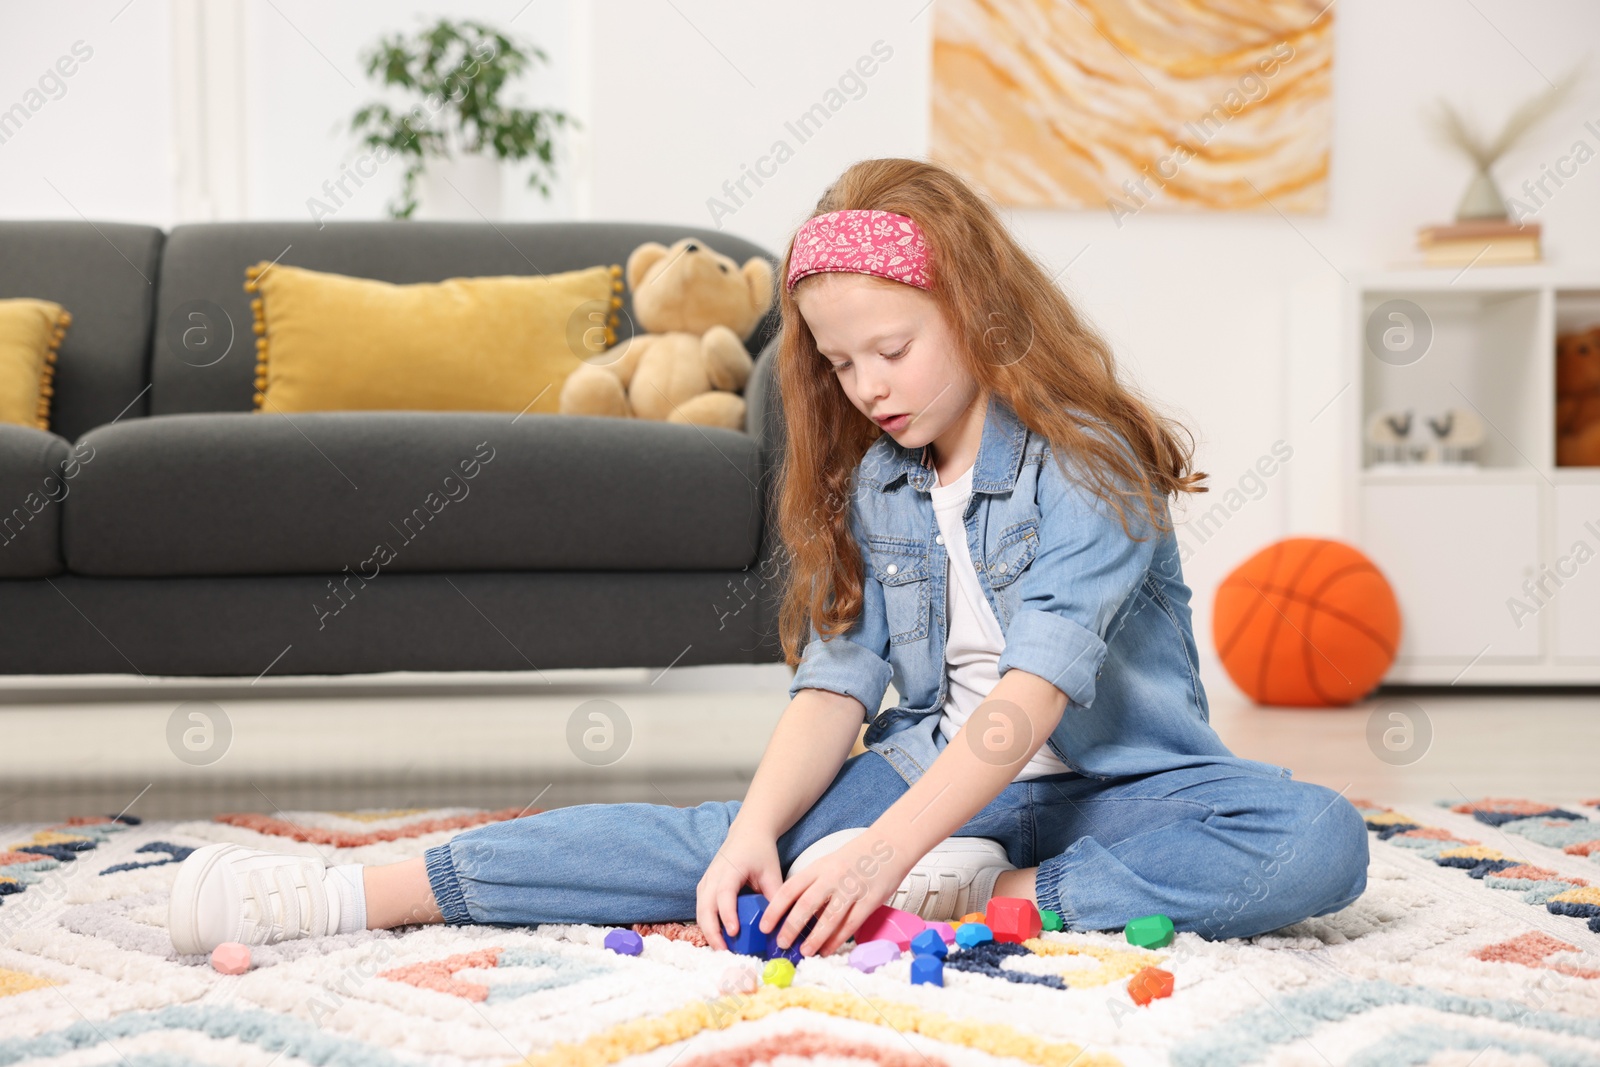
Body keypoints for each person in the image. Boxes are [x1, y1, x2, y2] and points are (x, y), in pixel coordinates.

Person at [167, 157, 1369, 959]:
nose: (868, 387)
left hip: (1121, 791)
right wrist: (754, 824)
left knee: (1316, 836)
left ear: (981, 309)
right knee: (728, 853)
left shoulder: (1087, 460)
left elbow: (1029, 695)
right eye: (842, 365)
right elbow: (837, 679)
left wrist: (889, 859)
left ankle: (993, 901)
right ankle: (355, 891)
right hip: (934, 781)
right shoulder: (878, 479)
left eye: (891, 347)